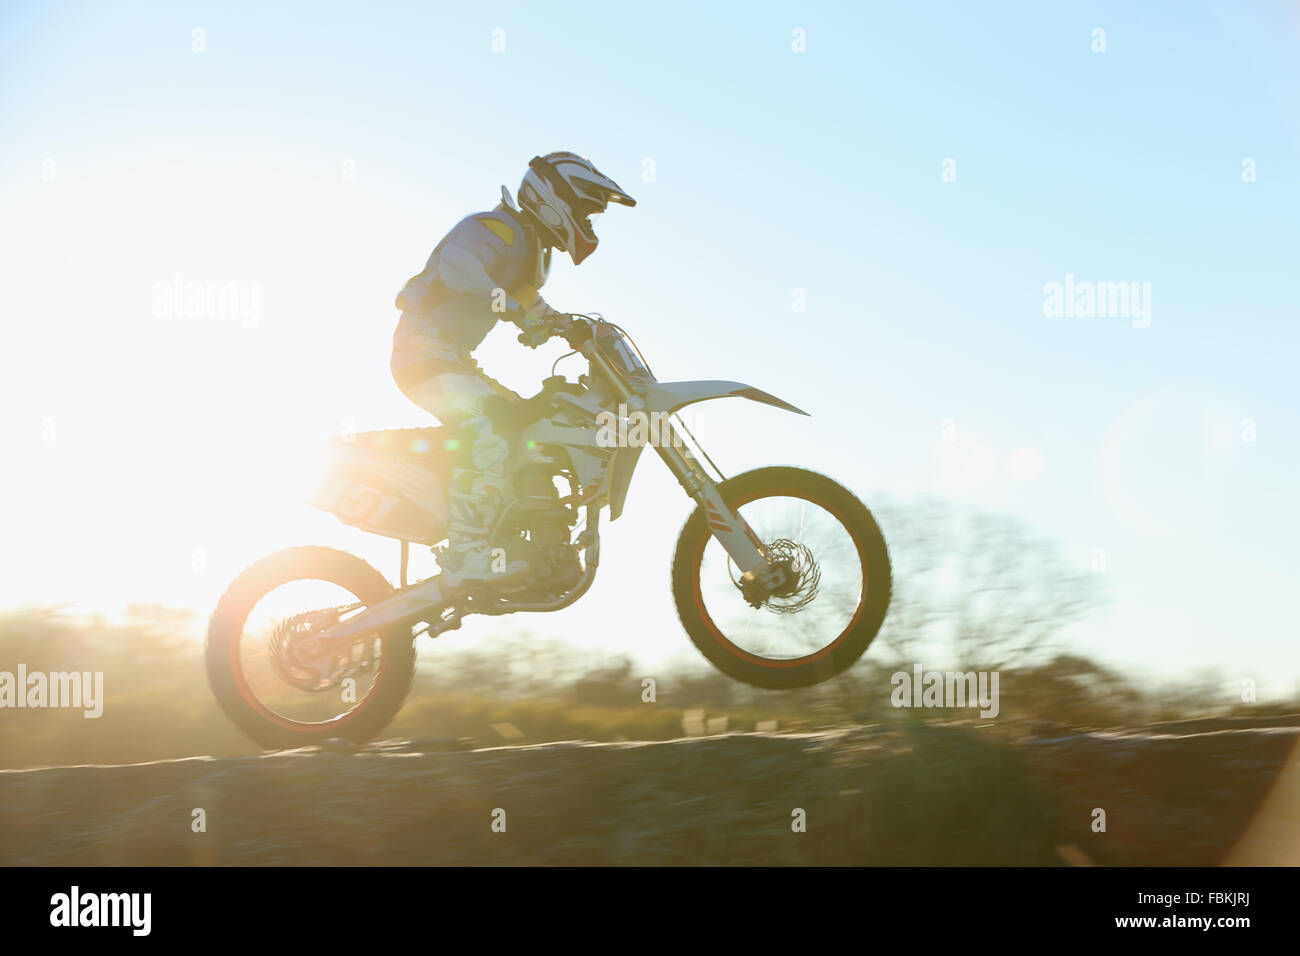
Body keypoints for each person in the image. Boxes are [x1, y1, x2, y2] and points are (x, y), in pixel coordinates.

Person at [390, 152, 636, 589]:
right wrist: (515, 310)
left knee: (528, 425)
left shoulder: (531, 252)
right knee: (488, 427)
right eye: (585, 210)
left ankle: (532, 533)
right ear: (555, 199)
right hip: (422, 354)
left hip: (453, 360)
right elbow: (460, 270)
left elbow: (530, 306)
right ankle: (466, 552)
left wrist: (565, 326)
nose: (589, 222)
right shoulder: (493, 228)